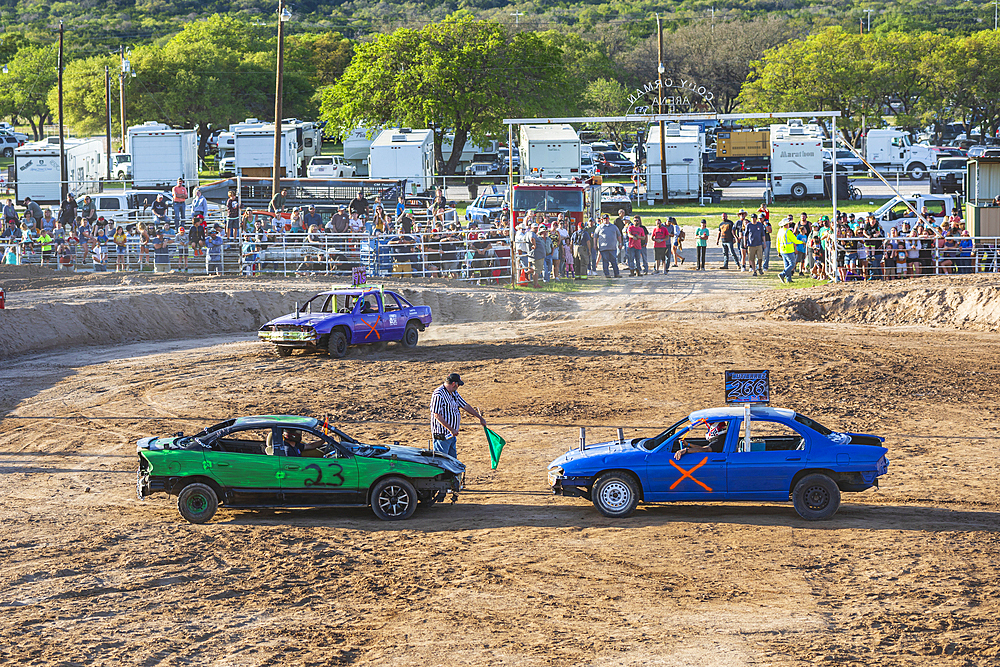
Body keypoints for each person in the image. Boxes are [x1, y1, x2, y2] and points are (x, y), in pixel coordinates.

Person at [429, 372, 487, 459]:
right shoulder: (438, 394)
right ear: (453, 384)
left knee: (452, 461)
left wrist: (479, 417)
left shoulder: (454, 393)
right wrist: (451, 429)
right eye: (458, 385)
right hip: (442, 436)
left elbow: (465, 405)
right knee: (441, 461)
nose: (458, 387)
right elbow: (437, 415)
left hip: (451, 435)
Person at [777, 219, 798, 284]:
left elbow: (778, 242)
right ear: (787, 224)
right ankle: (783, 274)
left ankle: (788, 279)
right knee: (792, 264)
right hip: (789, 250)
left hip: (782, 250)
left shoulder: (780, 231)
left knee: (787, 265)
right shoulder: (788, 231)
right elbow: (794, 240)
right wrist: (802, 242)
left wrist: (778, 251)